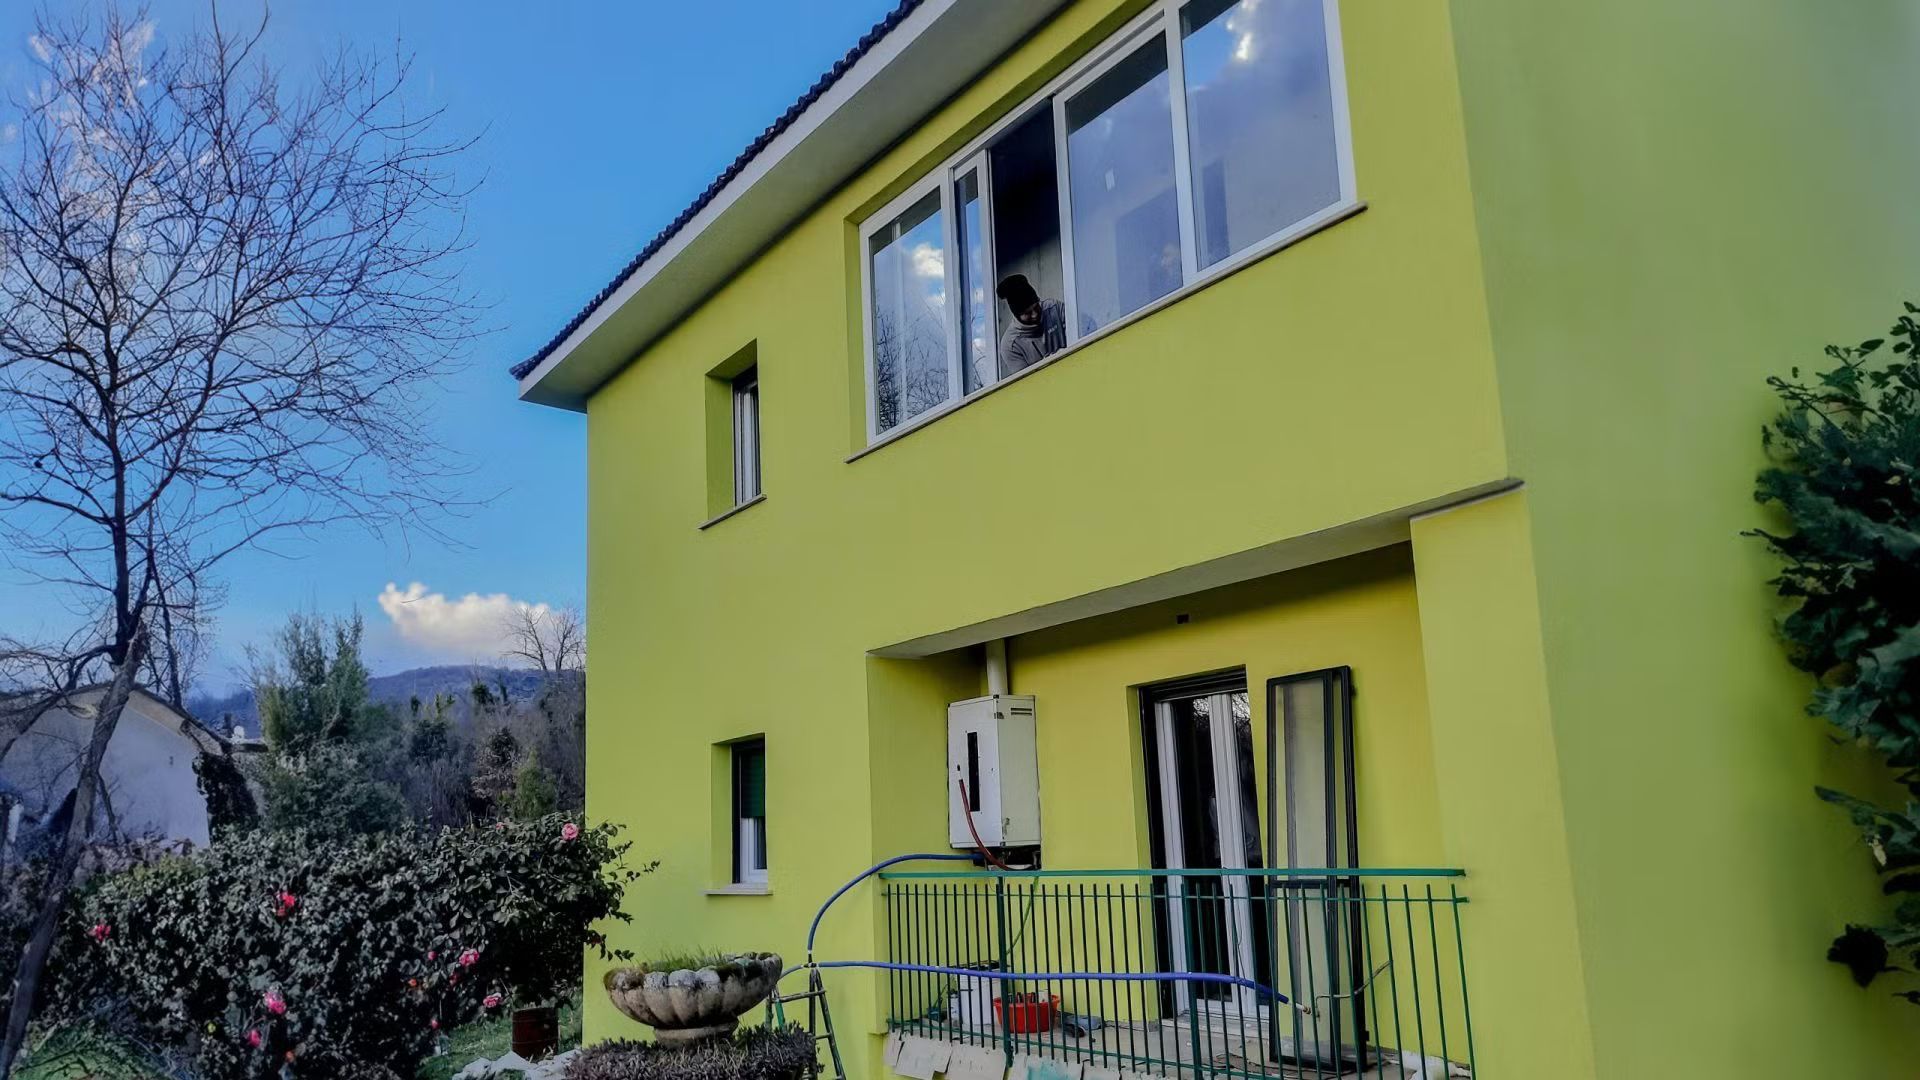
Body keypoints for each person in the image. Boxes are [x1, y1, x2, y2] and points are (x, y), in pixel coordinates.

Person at [996, 274, 1067, 376]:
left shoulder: (1054, 308)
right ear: (1017, 315)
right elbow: (1026, 383)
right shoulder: (1010, 345)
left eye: (1036, 306)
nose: (1035, 314)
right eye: (1028, 313)